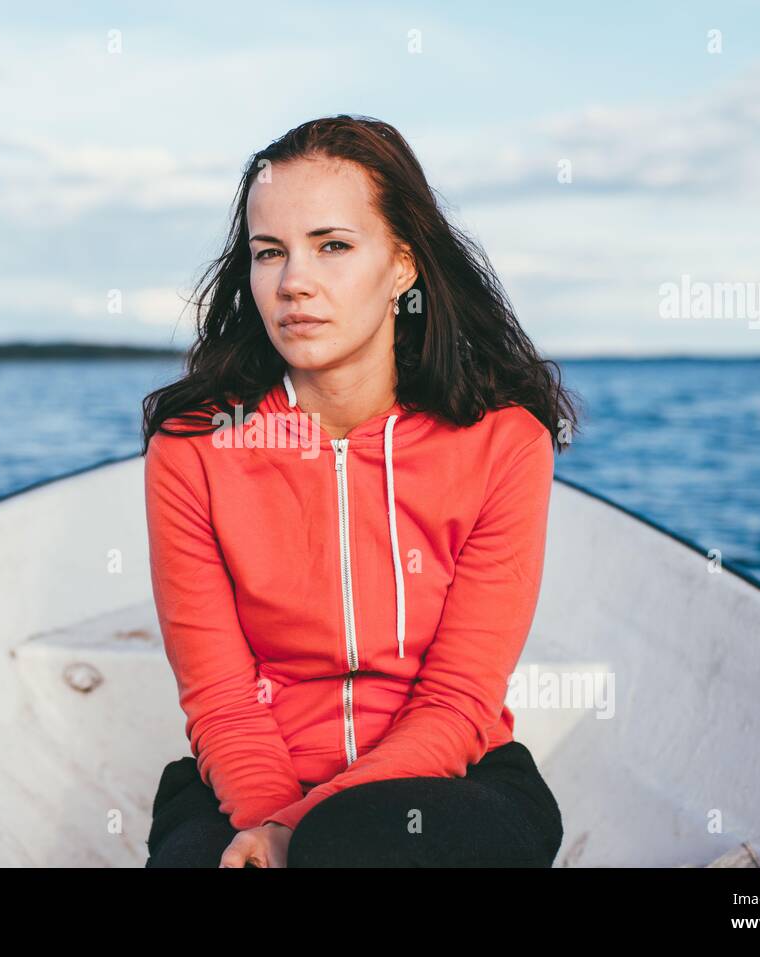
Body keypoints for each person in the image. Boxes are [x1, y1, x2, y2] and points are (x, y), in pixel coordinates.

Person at [140, 114, 582, 868]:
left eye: (332, 246)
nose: (293, 283)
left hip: (455, 781)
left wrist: (299, 832)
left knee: (350, 844)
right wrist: (269, 822)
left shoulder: (503, 442)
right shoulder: (194, 447)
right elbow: (220, 699)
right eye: (269, 253)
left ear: (402, 265)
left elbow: (458, 700)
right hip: (241, 787)